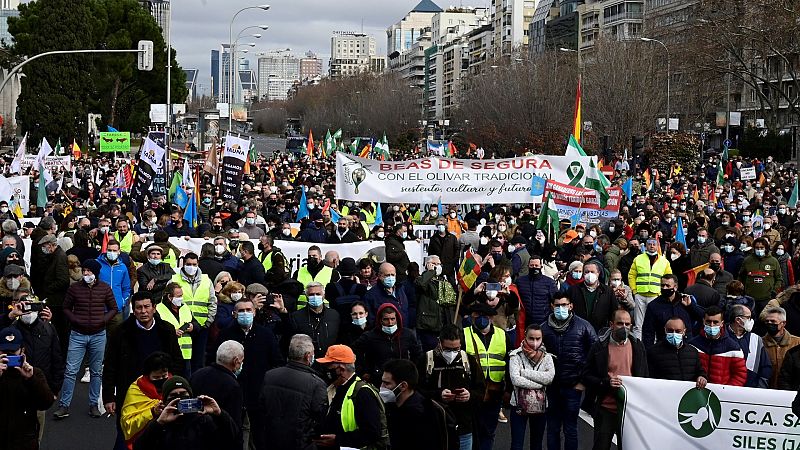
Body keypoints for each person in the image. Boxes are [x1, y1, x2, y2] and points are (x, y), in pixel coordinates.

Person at [103, 291, 184, 449]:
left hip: (161, 395)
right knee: (126, 437)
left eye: (147, 306)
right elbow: (110, 366)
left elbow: (178, 362)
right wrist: (108, 397)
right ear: (133, 310)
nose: (143, 311)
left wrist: (178, 390)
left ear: (154, 308)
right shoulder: (120, 332)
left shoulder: (166, 330)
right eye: (138, 308)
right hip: (129, 396)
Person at [54, 259, 118, 420]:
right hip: (77, 334)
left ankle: (94, 404)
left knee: (96, 372)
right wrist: (74, 320)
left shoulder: (105, 289)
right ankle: (64, 405)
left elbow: (113, 308)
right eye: (84, 271)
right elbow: (66, 307)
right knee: (70, 371)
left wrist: (103, 320)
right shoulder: (74, 289)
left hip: (98, 335)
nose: (85, 274)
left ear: (95, 273)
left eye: (89, 271)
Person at [217, 298, 283, 450]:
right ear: (234, 314)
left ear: (254, 312)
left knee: (259, 436)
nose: (245, 314)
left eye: (248, 310)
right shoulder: (226, 335)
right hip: (233, 394)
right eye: (241, 311)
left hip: (258, 394)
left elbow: (276, 361)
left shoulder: (266, 335)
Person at [582, 310, 648, 450]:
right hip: (606, 409)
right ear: (611, 324)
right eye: (619, 323)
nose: (624, 327)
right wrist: (605, 382)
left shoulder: (638, 346)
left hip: (629, 410)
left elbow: (645, 377)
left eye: (627, 324)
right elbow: (586, 375)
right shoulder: (599, 346)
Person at [541, 292, 597, 450]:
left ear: (571, 306)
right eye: (557, 305)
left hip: (573, 386)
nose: (560, 308)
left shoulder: (583, 326)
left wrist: (583, 382)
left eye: (564, 305)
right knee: (552, 429)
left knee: (570, 428)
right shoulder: (543, 328)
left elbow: (595, 354)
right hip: (551, 387)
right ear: (552, 307)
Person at [416, 323, 483, 450]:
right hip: (435, 426)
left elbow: (480, 390)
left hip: (463, 427)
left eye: (456, 349)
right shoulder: (426, 360)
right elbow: (417, 391)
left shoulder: (468, 360)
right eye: (448, 349)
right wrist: (438, 395)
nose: (452, 353)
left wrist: (469, 395)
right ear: (439, 343)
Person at [258, 334, 327, 450]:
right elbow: (319, 417)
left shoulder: (270, 375)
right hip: (301, 443)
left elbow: (262, 407)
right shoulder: (317, 384)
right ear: (307, 356)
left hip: (271, 441)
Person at [133, 377, 239, 450]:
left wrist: (220, 413)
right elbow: (139, 447)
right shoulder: (160, 424)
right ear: (166, 401)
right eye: (174, 396)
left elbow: (232, 439)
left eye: (184, 395)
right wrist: (158, 423)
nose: (180, 399)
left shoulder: (203, 421)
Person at [315, 344, 389, 449]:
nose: (325, 370)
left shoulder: (363, 393)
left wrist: (338, 440)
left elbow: (372, 433)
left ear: (341, 368)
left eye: (328, 366)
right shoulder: (335, 388)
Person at [462, 302, 509, 450]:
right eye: (477, 316)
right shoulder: (464, 334)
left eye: (485, 316)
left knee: (489, 430)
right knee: (473, 430)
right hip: (472, 390)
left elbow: (510, 360)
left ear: (491, 318)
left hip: (495, 390)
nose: (481, 319)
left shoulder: (502, 335)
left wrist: (509, 389)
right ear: (472, 317)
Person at [0, 327, 55, 450]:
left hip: (24, 440)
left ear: (22, 351)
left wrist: (31, 379)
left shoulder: (34, 373)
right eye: (4, 351)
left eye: (13, 352)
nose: (8, 356)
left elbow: (46, 403)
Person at [381, 358, 446, 450]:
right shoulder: (392, 406)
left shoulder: (421, 414)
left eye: (387, 383)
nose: (382, 387)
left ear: (403, 386)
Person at [508, 324, 554, 450]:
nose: (535, 342)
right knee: (517, 445)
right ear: (525, 337)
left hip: (540, 406)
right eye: (531, 338)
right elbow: (515, 379)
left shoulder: (547, 357)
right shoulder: (515, 355)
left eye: (538, 339)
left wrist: (525, 372)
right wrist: (539, 384)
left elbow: (549, 378)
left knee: (537, 444)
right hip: (518, 405)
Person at [353, 303, 422, 386]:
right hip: (378, 380)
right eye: (386, 319)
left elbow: (417, 354)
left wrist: (411, 371)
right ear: (380, 320)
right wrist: (362, 371)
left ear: (397, 319)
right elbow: (354, 351)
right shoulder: (370, 336)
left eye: (393, 319)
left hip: (402, 379)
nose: (390, 323)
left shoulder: (407, 335)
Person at [191, 340, 245, 445]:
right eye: (241, 361)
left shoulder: (197, 375)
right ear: (235, 361)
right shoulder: (233, 385)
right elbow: (234, 425)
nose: (242, 365)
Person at [170, 253, 217, 374]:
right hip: (182, 328)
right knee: (182, 361)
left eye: (194, 264)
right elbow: (168, 303)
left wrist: (208, 322)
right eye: (188, 264)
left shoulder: (206, 280)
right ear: (183, 264)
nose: (191, 267)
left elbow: (212, 302)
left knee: (199, 360)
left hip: (201, 327)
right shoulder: (174, 279)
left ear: (198, 264)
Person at [119, 352, 173, 449]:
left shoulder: (174, 387)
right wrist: (152, 412)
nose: (161, 379)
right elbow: (127, 424)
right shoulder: (136, 390)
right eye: (156, 377)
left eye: (164, 376)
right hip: (144, 441)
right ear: (148, 375)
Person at [688, 305, 747, 386]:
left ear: (722, 323)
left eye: (715, 322)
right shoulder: (693, 344)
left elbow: (740, 375)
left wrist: (727, 391)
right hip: (697, 393)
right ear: (703, 321)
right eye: (708, 322)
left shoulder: (733, 347)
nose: (712, 325)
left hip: (722, 395)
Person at [641, 274, 705, 349]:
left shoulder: (686, 300)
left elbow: (703, 318)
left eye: (667, 286)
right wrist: (648, 352)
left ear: (675, 287)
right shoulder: (653, 306)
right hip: (664, 348)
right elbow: (648, 332)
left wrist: (691, 306)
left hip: (687, 347)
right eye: (662, 285)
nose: (664, 288)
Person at [30, 233, 70, 350]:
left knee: (59, 330)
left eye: (45, 246)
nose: (43, 249)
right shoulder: (54, 256)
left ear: (52, 245)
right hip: (54, 299)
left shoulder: (60, 257)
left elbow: (63, 280)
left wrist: (47, 288)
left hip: (57, 301)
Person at [628, 238, 672, 337]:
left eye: (654, 244)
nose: (652, 246)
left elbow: (669, 278)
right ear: (646, 246)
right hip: (640, 295)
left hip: (656, 295)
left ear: (657, 246)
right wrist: (634, 290)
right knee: (638, 324)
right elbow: (631, 275)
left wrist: (662, 294)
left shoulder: (664, 261)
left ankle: (654, 346)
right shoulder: (638, 258)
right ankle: (638, 346)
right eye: (649, 244)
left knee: (655, 323)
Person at [646, 317, 708, 387]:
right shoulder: (653, 352)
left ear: (684, 331)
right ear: (665, 330)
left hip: (687, 395)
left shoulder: (692, 351)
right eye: (670, 330)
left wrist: (702, 377)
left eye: (678, 331)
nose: (674, 334)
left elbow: (700, 371)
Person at [415, 255, 458, 351]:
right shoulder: (422, 279)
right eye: (434, 264)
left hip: (442, 324)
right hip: (429, 325)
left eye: (439, 264)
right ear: (428, 265)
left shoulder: (443, 280)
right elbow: (421, 284)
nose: (438, 266)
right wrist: (430, 272)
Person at [288, 282, 341, 357]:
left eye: (318, 294)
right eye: (311, 295)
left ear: (324, 296)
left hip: (330, 360)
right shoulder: (296, 317)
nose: (315, 297)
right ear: (306, 297)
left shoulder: (334, 315)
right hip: (306, 361)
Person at [156, 283, 198, 375]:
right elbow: (157, 329)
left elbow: (196, 324)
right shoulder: (159, 309)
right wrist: (172, 332)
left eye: (182, 295)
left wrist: (192, 326)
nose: (181, 298)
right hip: (169, 354)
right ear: (170, 297)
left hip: (186, 354)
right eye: (179, 296)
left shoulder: (185, 308)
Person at [726, 304, 772, 387]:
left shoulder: (756, 339)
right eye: (748, 317)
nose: (751, 320)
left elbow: (765, 367)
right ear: (738, 320)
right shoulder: (721, 336)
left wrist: (759, 388)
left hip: (750, 390)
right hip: (725, 388)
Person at [568, 261, 619, 333]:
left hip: (601, 331)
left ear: (598, 273)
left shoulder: (608, 291)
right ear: (583, 274)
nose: (589, 274)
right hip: (578, 331)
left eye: (592, 272)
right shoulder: (573, 290)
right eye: (587, 272)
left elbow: (614, 311)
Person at [739, 237, 782, 317]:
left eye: (761, 248)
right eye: (757, 248)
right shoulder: (747, 260)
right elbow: (741, 276)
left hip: (766, 298)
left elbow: (779, 278)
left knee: (765, 319)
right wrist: (743, 291)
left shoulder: (773, 261)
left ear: (766, 248)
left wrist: (773, 291)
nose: (759, 250)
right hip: (750, 298)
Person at [364, 263, 414, 327]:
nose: (390, 278)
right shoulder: (371, 295)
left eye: (392, 275)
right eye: (387, 275)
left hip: (404, 332)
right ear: (379, 276)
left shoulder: (401, 289)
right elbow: (371, 320)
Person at [762, 306, 800, 388]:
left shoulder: (797, 342)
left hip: (790, 391)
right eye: (767, 321)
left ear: (783, 323)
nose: (769, 323)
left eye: (773, 321)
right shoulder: (760, 343)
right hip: (767, 390)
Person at [516, 256, 557, 328]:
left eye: (536, 265)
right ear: (528, 266)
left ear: (541, 266)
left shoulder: (549, 282)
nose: (534, 267)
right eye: (531, 265)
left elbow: (555, 300)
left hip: (543, 321)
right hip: (524, 321)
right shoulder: (520, 281)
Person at [98, 240, 133, 324]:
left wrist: (122, 301)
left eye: (114, 250)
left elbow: (126, 288)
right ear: (106, 250)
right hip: (99, 309)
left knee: (116, 334)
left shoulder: (123, 267)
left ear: (119, 252)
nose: (111, 252)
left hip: (117, 309)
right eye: (109, 250)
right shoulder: (97, 264)